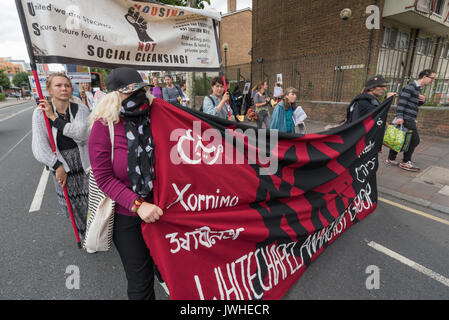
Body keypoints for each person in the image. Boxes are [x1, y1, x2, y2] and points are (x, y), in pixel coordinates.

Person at [88, 67, 163, 300]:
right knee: (140, 282)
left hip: (164, 210)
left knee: (171, 269)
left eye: (140, 91)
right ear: (113, 96)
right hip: (128, 217)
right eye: (130, 93)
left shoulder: (157, 118)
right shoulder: (103, 127)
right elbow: (104, 178)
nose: (138, 97)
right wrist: (139, 205)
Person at [31, 73, 90, 238]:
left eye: (67, 85)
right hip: (61, 163)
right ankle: (83, 233)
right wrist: (56, 165)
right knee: (71, 204)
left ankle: (96, 231)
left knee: (91, 199)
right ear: (49, 89)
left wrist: (54, 118)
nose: (64, 88)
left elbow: (82, 134)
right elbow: (39, 146)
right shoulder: (39, 113)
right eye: (58, 85)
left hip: (83, 160)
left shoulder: (81, 109)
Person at [386, 69, 436, 172]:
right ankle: (405, 161)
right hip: (406, 118)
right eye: (432, 78)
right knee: (415, 140)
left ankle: (391, 158)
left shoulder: (417, 89)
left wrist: (423, 100)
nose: (432, 80)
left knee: (401, 139)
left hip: (410, 118)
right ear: (424, 77)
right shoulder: (410, 87)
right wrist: (400, 116)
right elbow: (402, 102)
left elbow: (414, 105)